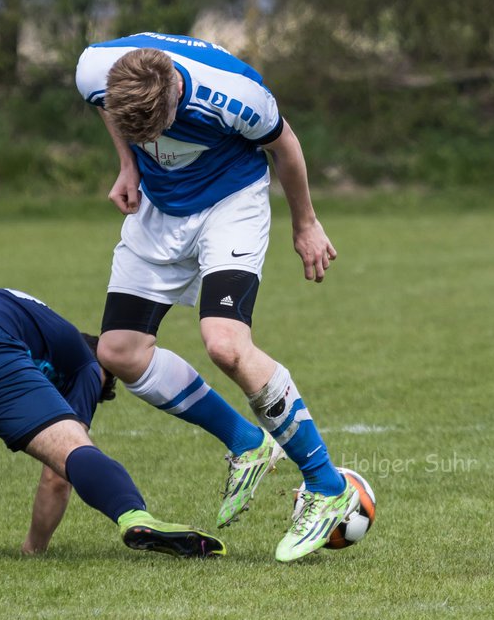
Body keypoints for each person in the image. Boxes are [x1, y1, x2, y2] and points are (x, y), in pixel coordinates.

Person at [75, 31, 355, 563]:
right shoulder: (95, 70)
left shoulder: (236, 95)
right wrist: (129, 163)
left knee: (225, 344)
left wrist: (306, 224)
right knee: (119, 353)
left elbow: (285, 148)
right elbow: (108, 110)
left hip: (231, 201)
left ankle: (326, 486)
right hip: (160, 208)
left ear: (177, 97)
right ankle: (248, 444)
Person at [0, 288, 226, 560]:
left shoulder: (43, 331)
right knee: (73, 449)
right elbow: (58, 476)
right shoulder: (87, 365)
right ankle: (136, 518)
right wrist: (35, 547)